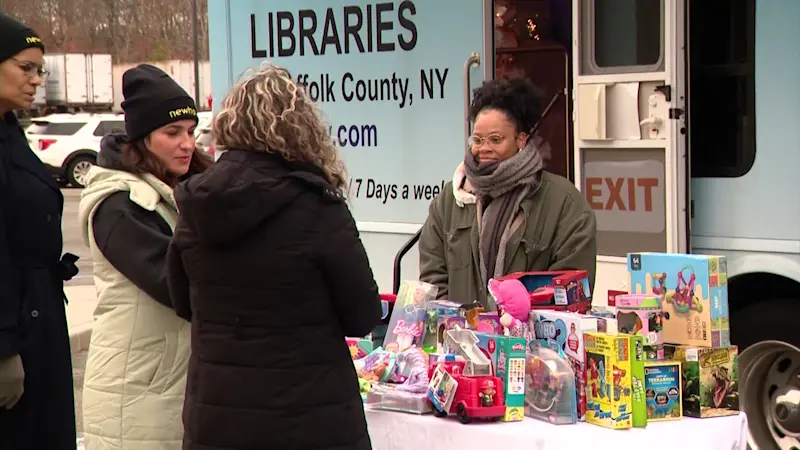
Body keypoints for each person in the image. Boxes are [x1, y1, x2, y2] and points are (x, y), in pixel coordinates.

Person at [167, 61, 382, 450]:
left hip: (217, 418)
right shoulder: (317, 206)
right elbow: (362, 314)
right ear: (303, 129)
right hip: (310, 419)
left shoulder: (197, 204)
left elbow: (182, 302)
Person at [77, 64, 212, 449]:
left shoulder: (180, 190)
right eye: (172, 133)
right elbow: (174, 283)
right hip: (136, 393)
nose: (187, 144)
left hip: (168, 387)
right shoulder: (118, 205)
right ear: (142, 139)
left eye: (191, 132)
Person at [419, 77, 597, 306]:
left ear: (520, 139)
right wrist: (457, 323)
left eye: (495, 139)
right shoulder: (451, 199)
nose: (484, 148)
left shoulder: (564, 203)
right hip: (460, 337)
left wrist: (520, 318)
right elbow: (433, 278)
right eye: (478, 139)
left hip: (530, 339)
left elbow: (573, 288)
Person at [0, 13, 79, 450]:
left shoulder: (12, 131)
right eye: (24, 68)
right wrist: (4, 350)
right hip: (18, 326)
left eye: (39, 70)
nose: (36, 80)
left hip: (38, 316)